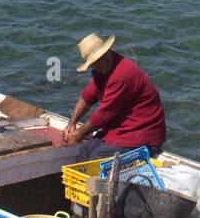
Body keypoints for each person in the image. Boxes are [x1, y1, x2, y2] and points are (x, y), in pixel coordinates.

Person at [60, 33, 166, 161]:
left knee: (97, 157)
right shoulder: (102, 73)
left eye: (103, 56)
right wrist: (72, 123)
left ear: (109, 50)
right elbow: (87, 99)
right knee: (85, 151)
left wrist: (78, 134)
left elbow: (105, 114)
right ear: (91, 65)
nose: (102, 62)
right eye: (96, 62)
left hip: (141, 136)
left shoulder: (121, 74)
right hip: (120, 130)